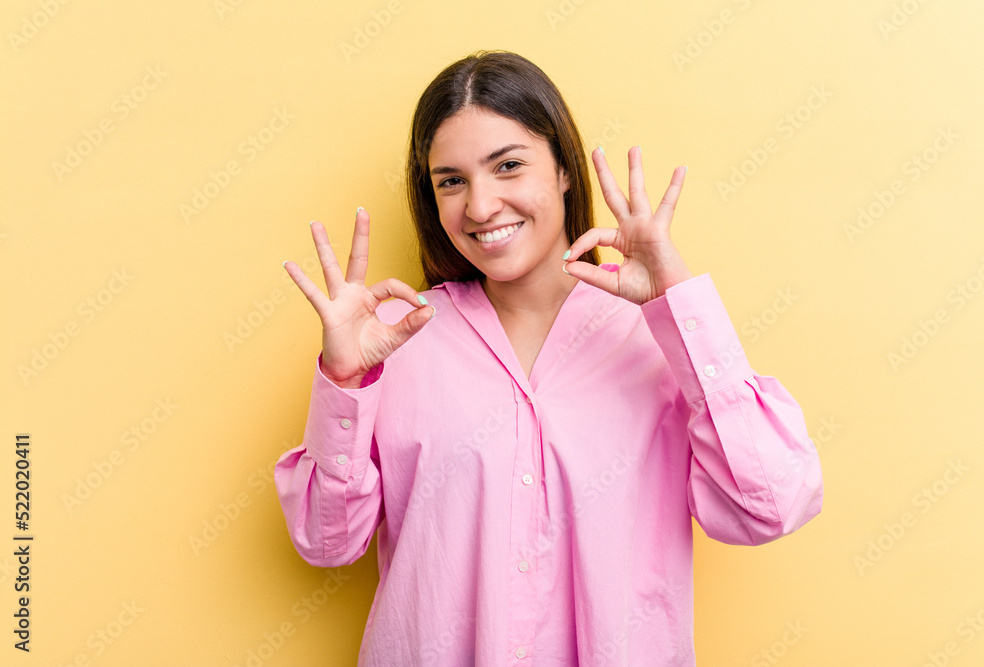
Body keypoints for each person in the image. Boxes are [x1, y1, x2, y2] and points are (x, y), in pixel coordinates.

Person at [274, 50, 823, 666]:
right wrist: (345, 381)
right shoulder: (395, 341)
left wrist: (681, 306)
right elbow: (327, 543)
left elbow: (772, 505)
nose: (479, 207)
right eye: (451, 180)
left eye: (507, 166)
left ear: (563, 168)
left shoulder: (662, 339)